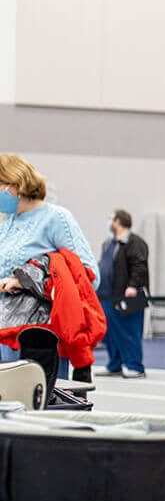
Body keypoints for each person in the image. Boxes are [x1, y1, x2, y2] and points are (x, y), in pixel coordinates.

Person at [0, 154, 101, 377]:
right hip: (3, 332)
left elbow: (87, 277)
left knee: (37, 405)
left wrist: (24, 282)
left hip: (36, 336)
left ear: (15, 183)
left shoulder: (56, 218)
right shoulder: (6, 222)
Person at [95, 209, 150, 379]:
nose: (109, 222)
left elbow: (139, 266)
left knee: (129, 331)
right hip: (106, 296)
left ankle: (135, 366)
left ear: (118, 222)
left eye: (111, 219)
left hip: (126, 296)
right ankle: (115, 364)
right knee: (110, 332)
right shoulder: (109, 244)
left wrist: (133, 285)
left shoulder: (135, 242)